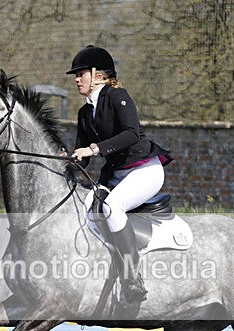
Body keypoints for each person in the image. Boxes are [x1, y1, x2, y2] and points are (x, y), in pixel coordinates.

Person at [67, 45, 172, 303]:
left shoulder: (117, 96)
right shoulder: (84, 112)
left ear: (99, 75)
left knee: (112, 206)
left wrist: (94, 149)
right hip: (115, 174)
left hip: (144, 170)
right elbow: (84, 157)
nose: (77, 79)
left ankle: (132, 278)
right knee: (87, 207)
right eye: (76, 75)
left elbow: (131, 134)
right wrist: (68, 160)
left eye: (81, 74)